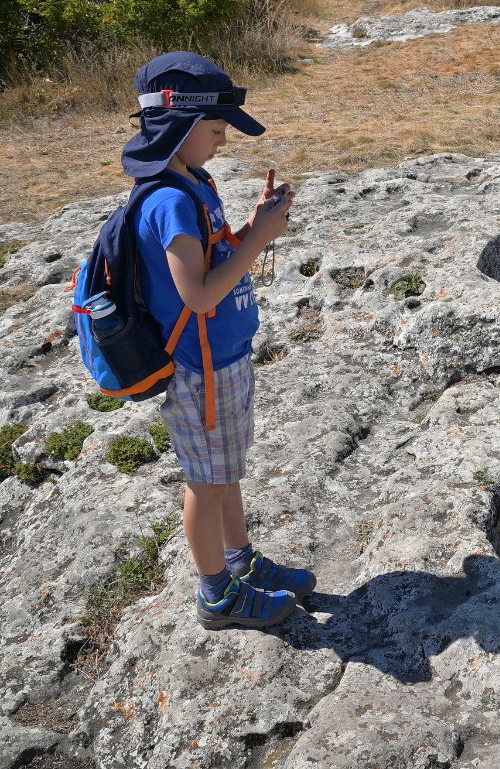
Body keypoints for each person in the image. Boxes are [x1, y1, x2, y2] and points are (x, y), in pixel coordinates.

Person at [122, 51, 314, 630]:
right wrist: (260, 237)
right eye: (214, 131)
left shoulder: (193, 182)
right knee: (206, 483)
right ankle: (217, 595)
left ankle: (240, 562)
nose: (222, 143)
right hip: (198, 369)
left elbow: (214, 259)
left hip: (222, 359)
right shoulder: (169, 202)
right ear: (178, 125)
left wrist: (253, 224)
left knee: (224, 471)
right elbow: (199, 296)